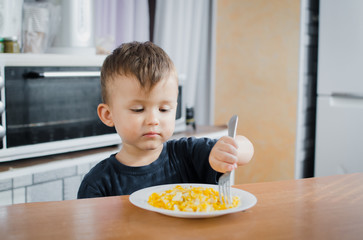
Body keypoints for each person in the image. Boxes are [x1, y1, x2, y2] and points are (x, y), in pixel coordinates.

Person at [77, 41, 254, 198]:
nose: (153, 120)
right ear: (108, 115)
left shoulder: (187, 155)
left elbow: (247, 147)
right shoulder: (97, 184)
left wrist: (230, 151)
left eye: (164, 109)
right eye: (138, 109)